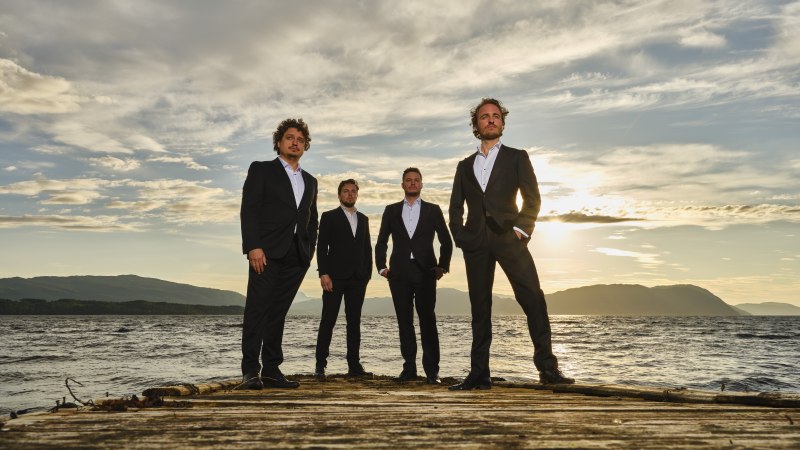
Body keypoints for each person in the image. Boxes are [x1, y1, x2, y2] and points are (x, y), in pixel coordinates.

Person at [448, 98, 574, 390]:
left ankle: (548, 370)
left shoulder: (517, 157)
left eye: (495, 116)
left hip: (509, 238)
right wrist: (461, 236)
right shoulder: (464, 166)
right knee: (480, 308)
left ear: (502, 123)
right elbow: (455, 206)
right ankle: (479, 374)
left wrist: (521, 229)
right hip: (475, 243)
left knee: (533, 299)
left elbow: (533, 199)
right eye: (484, 117)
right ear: (476, 125)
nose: (490, 120)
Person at [239, 118, 318, 390]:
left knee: (279, 312)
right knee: (257, 309)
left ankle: (272, 369)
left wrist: (309, 250)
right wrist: (253, 246)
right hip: (266, 252)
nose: (295, 141)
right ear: (279, 142)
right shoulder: (261, 170)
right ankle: (250, 370)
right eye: (289, 137)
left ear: (305, 145)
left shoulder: (310, 181)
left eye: (300, 139)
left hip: (297, 256)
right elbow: (250, 209)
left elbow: (311, 218)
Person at [375, 167, 453, 385]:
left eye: (416, 180)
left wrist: (442, 266)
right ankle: (409, 368)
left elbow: (446, 241)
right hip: (398, 273)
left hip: (426, 272)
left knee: (428, 320)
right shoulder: (391, 210)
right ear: (402, 184)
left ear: (421, 184)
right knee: (404, 321)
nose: (412, 183)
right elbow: (381, 241)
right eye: (408, 180)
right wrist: (381, 267)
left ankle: (432, 372)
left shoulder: (433, 209)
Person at [313, 179, 373, 380]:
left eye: (353, 191)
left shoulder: (363, 219)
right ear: (339, 195)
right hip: (334, 278)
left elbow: (367, 249)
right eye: (346, 191)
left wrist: (367, 275)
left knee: (354, 323)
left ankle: (354, 366)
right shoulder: (329, 217)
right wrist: (324, 273)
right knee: (327, 321)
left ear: (357, 194)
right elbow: (321, 248)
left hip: (358, 280)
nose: (350, 194)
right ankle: (320, 366)